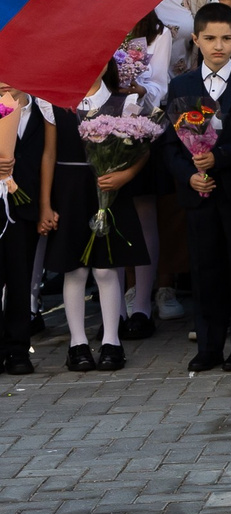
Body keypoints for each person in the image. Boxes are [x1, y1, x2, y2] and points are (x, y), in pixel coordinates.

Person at [163, 4, 231, 371]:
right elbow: (171, 146)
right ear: (196, 39)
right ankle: (208, 346)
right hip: (198, 197)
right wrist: (188, 174)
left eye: (226, 38)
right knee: (205, 272)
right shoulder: (182, 86)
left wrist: (218, 159)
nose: (218, 46)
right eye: (209, 38)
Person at [50, 54, 156, 372]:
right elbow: (49, 153)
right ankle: (77, 343)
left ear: (107, 63)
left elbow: (143, 148)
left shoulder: (124, 103)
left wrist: (125, 175)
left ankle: (112, 341)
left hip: (110, 191)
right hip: (70, 192)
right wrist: (47, 202)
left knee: (107, 269)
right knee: (75, 270)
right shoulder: (55, 102)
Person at [0, 81, 56, 375]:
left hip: (26, 205)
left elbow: (48, 155)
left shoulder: (41, 106)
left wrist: (44, 205)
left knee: (21, 278)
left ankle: (18, 349)